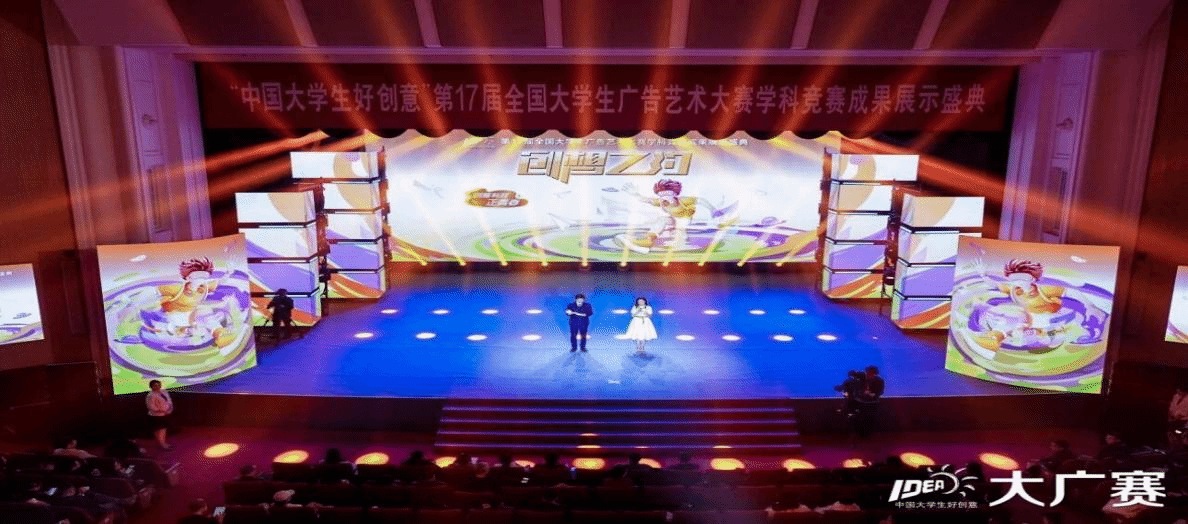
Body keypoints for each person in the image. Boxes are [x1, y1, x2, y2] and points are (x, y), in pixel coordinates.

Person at [146, 379, 174, 450]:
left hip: (165, 414)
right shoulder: (151, 395)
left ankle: (163, 444)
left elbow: (169, 401)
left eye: (159, 385)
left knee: (163, 430)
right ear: (151, 386)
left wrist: (169, 409)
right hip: (156, 416)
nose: (157, 386)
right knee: (160, 430)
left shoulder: (163, 392)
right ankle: (162, 445)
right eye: (155, 385)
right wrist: (161, 411)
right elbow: (151, 407)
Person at [1170, 384, 1188, 449]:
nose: (1178, 391)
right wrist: (1172, 415)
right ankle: (1175, 446)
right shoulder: (1176, 396)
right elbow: (1172, 407)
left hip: (1185, 419)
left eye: (1180, 390)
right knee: (1171, 432)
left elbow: (1185, 410)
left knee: (1181, 432)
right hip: (1174, 419)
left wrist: (1180, 415)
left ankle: (1183, 445)